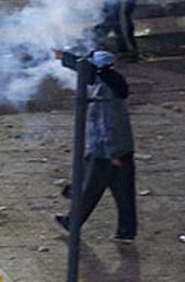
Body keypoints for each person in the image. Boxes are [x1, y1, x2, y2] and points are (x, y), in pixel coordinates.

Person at [53, 49, 138, 243]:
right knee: (124, 193)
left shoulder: (104, 92)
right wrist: (65, 57)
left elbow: (109, 126)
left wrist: (114, 154)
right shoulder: (112, 81)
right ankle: (126, 231)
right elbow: (87, 70)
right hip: (120, 149)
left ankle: (72, 220)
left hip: (106, 152)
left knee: (89, 190)